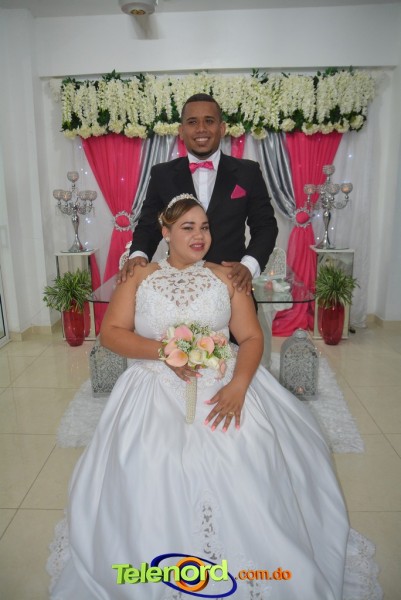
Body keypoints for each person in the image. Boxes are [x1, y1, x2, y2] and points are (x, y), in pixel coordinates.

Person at [48, 195, 376, 600]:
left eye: (204, 227)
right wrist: (162, 352)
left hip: (223, 380)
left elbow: (251, 337)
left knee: (247, 447)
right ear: (165, 232)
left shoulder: (227, 277)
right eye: (187, 227)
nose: (199, 235)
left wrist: (238, 386)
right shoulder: (139, 275)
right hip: (154, 381)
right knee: (152, 455)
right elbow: (112, 333)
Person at [119, 93, 278, 295]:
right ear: (181, 131)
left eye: (209, 121)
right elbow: (149, 225)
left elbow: (265, 226)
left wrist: (249, 265)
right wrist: (138, 255)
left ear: (222, 128)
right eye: (192, 122)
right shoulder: (162, 174)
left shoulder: (248, 172)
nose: (201, 128)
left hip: (233, 283)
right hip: (177, 287)